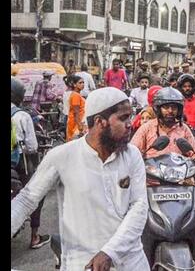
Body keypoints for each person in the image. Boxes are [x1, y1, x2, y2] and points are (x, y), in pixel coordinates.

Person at [12, 87, 150, 271]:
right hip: (83, 263)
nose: (130, 124)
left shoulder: (132, 155)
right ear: (100, 122)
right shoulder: (62, 156)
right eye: (123, 118)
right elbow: (26, 201)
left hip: (131, 261)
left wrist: (109, 252)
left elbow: (139, 207)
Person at [11, 78, 51, 250]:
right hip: (18, 163)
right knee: (35, 195)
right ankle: (35, 237)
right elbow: (32, 147)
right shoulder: (21, 115)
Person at [66, 75, 87, 142]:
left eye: (83, 82)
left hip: (78, 122)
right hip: (76, 124)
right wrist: (79, 126)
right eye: (80, 83)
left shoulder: (77, 94)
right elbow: (76, 112)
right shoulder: (75, 95)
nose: (82, 84)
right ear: (74, 84)